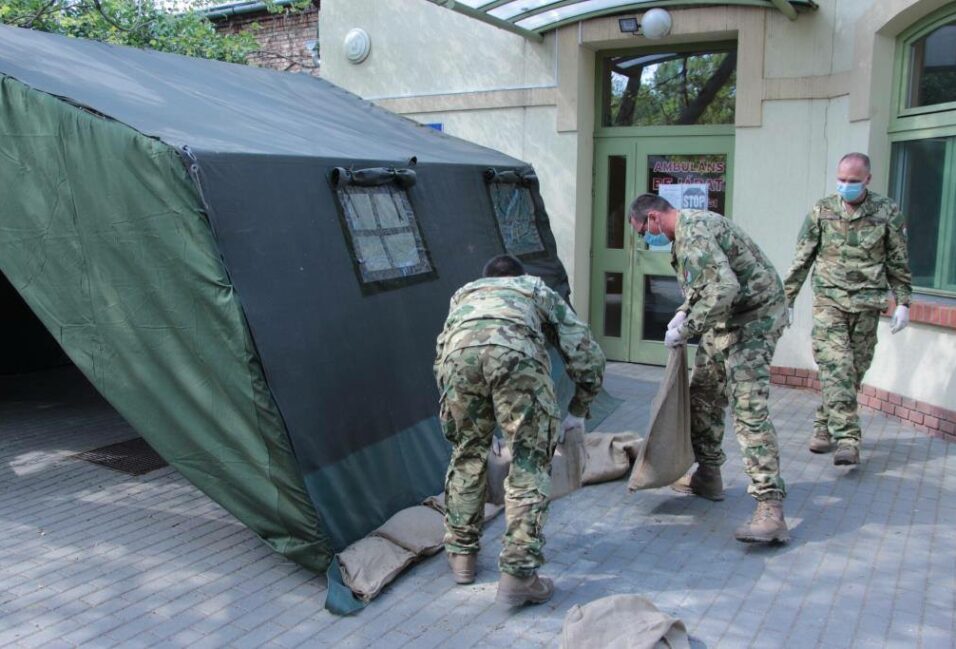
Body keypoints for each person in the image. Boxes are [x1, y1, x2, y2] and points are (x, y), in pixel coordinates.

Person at [434, 254, 605, 607]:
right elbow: (583, 349)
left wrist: (471, 419)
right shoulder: (534, 288)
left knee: (468, 452)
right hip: (517, 357)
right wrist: (579, 408)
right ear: (519, 276)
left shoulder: (465, 293)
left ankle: (462, 556)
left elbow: (444, 351)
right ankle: (518, 574)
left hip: (458, 363)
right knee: (528, 461)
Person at [628, 193, 789, 544]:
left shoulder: (694, 231)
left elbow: (725, 288)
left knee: (748, 410)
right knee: (702, 393)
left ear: (653, 218)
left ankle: (770, 508)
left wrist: (687, 330)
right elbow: (705, 283)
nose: (645, 240)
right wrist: (686, 309)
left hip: (755, 321)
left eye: (643, 232)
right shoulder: (686, 231)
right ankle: (709, 474)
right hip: (727, 320)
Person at [784, 152, 912, 465]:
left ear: (867, 179)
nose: (846, 186)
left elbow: (898, 260)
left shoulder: (887, 211)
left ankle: (822, 425)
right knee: (836, 365)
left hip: (868, 304)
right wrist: (786, 299)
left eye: (853, 181)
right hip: (830, 301)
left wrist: (903, 302)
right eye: (841, 180)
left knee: (852, 371)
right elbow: (803, 258)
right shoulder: (822, 210)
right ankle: (848, 440)